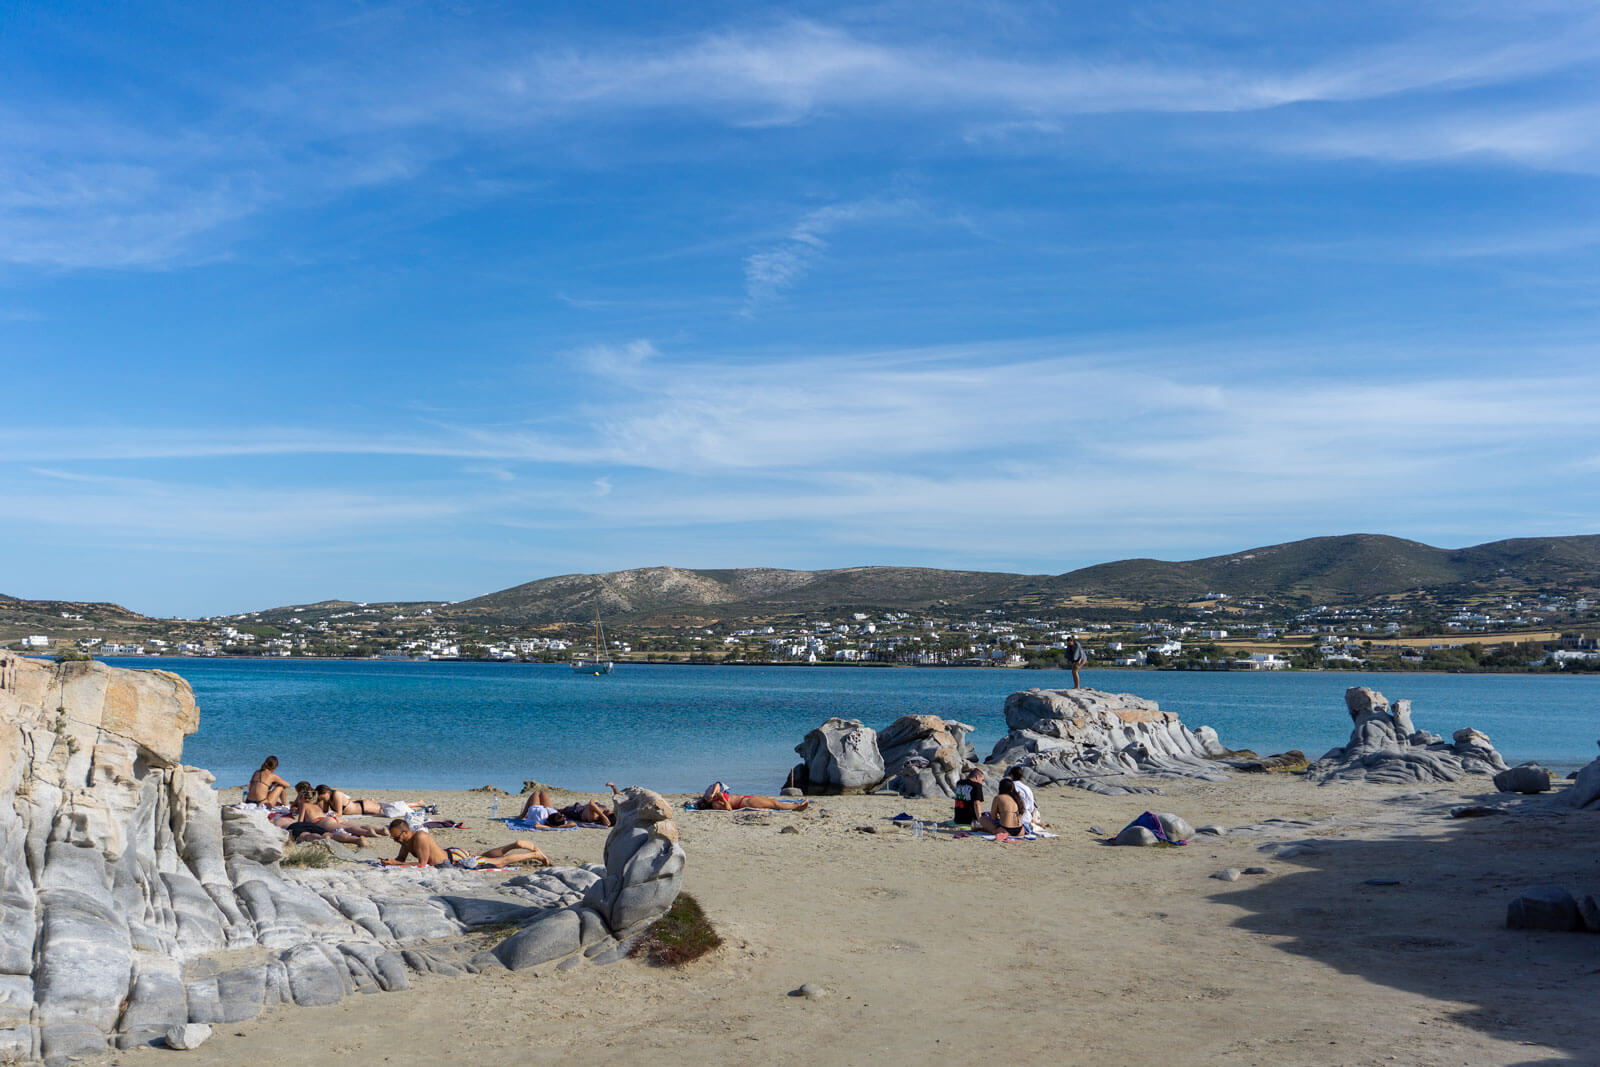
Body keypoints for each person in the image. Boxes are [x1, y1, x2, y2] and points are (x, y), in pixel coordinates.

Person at [317, 785, 424, 817]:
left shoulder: (336, 794)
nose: (322, 799)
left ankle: (418, 803)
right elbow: (326, 811)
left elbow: (339, 813)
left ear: (326, 792)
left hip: (364, 807)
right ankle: (411, 808)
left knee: (390, 809)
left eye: (322, 797)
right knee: (389, 808)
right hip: (361, 806)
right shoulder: (327, 799)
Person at [383, 819, 450, 866]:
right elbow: (401, 859)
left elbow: (422, 864)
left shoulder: (420, 837)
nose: (395, 840)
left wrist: (395, 863)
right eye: (393, 838)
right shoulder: (405, 841)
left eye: (397, 838)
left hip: (452, 859)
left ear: (406, 832)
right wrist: (388, 861)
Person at [702, 783, 808, 811]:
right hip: (745, 803)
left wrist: (714, 794)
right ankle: (797, 806)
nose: (708, 797)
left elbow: (717, 784)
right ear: (708, 803)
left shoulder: (714, 796)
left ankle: (795, 805)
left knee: (772, 801)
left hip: (747, 798)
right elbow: (728, 809)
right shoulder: (715, 804)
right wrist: (723, 798)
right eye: (707, 799)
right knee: (774, 804)